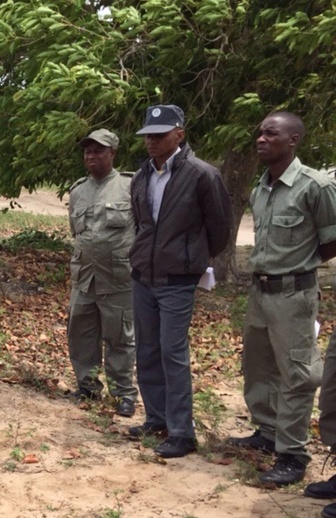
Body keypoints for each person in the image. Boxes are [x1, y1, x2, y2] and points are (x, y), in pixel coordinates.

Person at [227, 112, 336, 486]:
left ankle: (292, 454)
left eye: (271, 133)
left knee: (296, 374)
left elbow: (331, 239)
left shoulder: (314, 186)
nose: (261, 138)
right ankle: (267, 431)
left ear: (293, 140)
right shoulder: (262, 187)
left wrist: (299, 265)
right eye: (259, 132)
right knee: (259, 366)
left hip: (294, 294)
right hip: (260, 293)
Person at [126, 104, 232, 458]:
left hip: (177, 280)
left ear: (179, 134)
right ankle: (156, 419)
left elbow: (219, 231)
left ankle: (182, 432)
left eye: (160, 135)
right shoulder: (142, 175)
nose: (152, 142)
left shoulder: (202, 175)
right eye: (148, 136)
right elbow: (142, 225)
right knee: (147, 350)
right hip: (143, 276)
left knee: (173, 352)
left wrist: (191, 259)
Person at [66, 128, 137, 417]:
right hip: (84, 278)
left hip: (118, 278)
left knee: (120, 338)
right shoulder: (78, 190)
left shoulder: (130, 186)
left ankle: (124, 394)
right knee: (80, 334)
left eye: (98, 150)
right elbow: (77, 234)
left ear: (113, 153)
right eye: (88, 150)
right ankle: (88, 387)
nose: (91, 155)